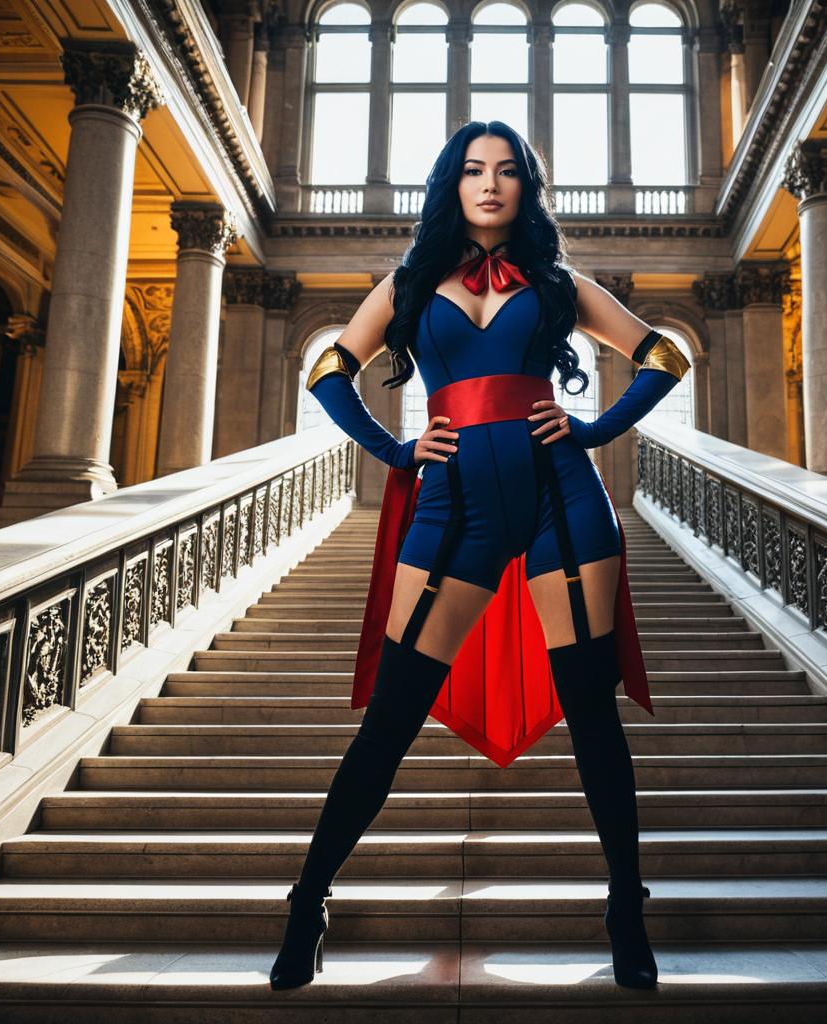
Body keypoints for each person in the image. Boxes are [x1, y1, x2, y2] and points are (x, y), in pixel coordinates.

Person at [269, 120, 689, 993]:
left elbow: (661, 354)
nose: (490, 184)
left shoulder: (558, 281)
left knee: (592, 714)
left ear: (526, 187)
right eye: (472, 170)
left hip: (562, 501)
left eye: (507, 171)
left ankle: (626, 908)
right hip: (450, 506)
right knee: (391, 718)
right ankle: (308, 903)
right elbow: (328, 372)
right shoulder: (411, 282)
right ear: (450, 185)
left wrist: (595, 428)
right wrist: (393, 452)